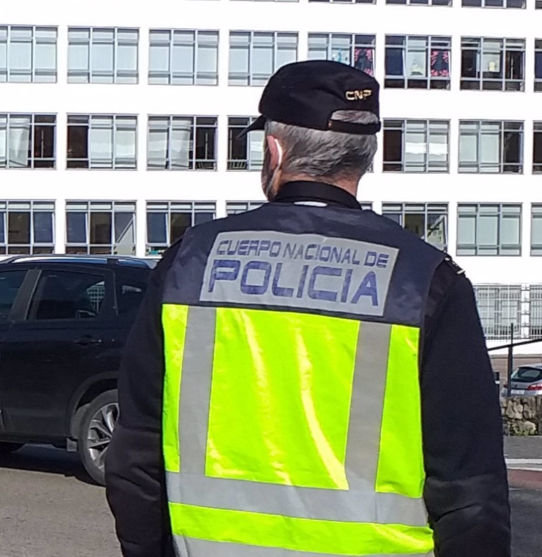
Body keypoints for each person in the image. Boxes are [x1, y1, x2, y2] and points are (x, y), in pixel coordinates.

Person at [106, 60, 510, 557]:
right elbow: (471, 491)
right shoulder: (426, 280)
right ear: (364, 157)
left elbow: (137, 453)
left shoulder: (190, 263)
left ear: (274, 151)